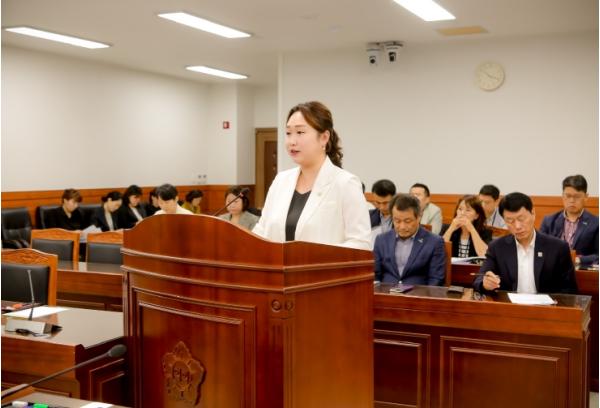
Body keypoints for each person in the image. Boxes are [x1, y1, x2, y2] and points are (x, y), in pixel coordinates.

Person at [252, 101, 371, 250]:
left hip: (323, 266)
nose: (291, 141)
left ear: (324, 138)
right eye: (288, 133)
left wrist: (317, 258)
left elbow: (361, 243)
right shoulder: (281, 181)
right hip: (276, 265)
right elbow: (261, 231)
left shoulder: (346, 183)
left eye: (300, 132)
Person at [474, 192, 577, 294]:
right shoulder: (497, 247)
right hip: (509, 304)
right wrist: (485, 283)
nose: (517, 226)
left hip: (547, 304)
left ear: (533, 213)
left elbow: (570, 290)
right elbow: (479, 280)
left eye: (521, 219)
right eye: (510, 221)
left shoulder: (557, 248)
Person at [374, 194, 446, 285]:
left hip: (418, 293)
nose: (402, 227)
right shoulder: (381, 240)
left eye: (407, 221)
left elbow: (436, 279)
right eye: (397, 221)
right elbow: (375, 274)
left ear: (419, 217)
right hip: (385, 292)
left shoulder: (434, 242)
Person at [540, 175, 598, 267]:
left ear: (586, 197)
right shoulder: (549, 221)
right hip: (552, 270)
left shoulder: (596, 223)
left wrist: (578, 259)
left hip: (579, 271)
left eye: (577, 196)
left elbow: (598, 255)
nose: (572, 200)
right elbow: (539, 249)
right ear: (562, 196)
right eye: (568, 196)